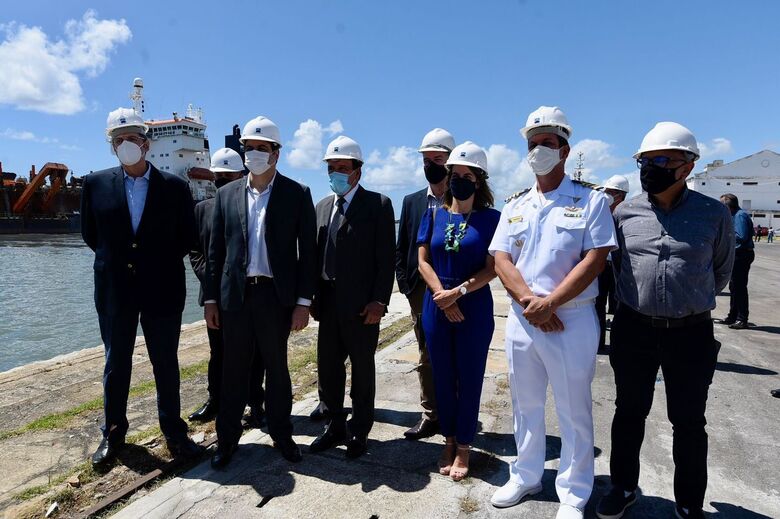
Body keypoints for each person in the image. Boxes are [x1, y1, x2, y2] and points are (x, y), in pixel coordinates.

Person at [597, 122, 734, 519]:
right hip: (634, 327)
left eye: (660, 160)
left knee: (689, 421)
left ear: (687, 166)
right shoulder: (624, 213)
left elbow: (720, 270)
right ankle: (623, 487)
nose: (648, 168)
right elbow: (618, 265)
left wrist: (686, 297)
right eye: (644, 160)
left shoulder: (714, 214)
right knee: (628, 412)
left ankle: (689, 502)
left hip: (690, 333)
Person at [489, 106, 616, 519]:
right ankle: (526, 475)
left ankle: (574, 493)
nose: (538, 150)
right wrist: (531, 303)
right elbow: (502, 258)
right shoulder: (517, 204)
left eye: (547, 143)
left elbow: (595, 258)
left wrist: (551, 303)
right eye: (532, 144)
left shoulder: (590, 200)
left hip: (571, 319)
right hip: (524, 319)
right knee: (524, 406)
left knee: (573, 408)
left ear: (565, 149)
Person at [81, 108, 203, 465]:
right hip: (115, 289)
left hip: (162, 288)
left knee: (165, 362)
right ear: (112, 146)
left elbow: (186, 238)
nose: (125, 145)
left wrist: (153, 263)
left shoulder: (176, 188)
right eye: (119, 141)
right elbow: (92, 235)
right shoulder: (95, 184)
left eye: (132, 139)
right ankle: (113, 435)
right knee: (115, 363)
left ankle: (174, 434)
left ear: (146, 144)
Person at [204, 116, 317, 468]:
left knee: (277, 369)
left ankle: (282, 435)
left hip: (275, 297)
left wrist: (303, 303)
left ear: (276, 154)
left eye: (262, 148)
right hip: (235, 298)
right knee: (233, 371)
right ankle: (227, 441)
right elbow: (214, 252)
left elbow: (308, 253)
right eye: (249, 148)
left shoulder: (297, 194)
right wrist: (210, 299)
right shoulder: (225, 195)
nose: (254, 154)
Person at [417, 141, 500, 480]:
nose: (459, 180)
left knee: (468, 378)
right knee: (442, 377)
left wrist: (460, 291)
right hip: (436, 304)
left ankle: (464, 446)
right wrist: (441, 294)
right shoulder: (434, 212)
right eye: (455, 174)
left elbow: (494, 267)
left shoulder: (493, 219)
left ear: (479, 181)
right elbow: (422, 260)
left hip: (474, 305)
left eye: (468, 175)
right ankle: (448, 440)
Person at [309, 136, 395, 459]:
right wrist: (311, 298)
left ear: (357, 171)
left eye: (342, 168)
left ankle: (360, 430)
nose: (336, 174)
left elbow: (386, 260)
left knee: (362, 371)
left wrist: (379, 301)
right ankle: (334, 426)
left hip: (363, 308)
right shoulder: (321, 208)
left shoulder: (378, 205)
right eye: (331, 168)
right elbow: (314, 258)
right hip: (328, 305)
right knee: (328, 370)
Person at [188, 148, 266, 425]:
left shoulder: (253, 206)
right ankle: (215, 401)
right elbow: (196, 250)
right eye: (217, 178)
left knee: (255, 355)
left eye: (227, 177)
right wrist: (210, 278)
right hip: (214, 297)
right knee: (217, 353)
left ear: (241, 175)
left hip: (245, 294)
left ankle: (256, 403)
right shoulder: (201, 209)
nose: (221, 183)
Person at [395, 128, 455, 440]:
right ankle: (431, 413)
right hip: (419, 290)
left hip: (452, 288)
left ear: (451, 161)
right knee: (425, 353)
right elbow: (402, 243)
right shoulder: (411, 202)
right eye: (426, 159)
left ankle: (453, 413)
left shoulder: (462, 200)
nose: (431, 164)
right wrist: (405, 285)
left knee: (452, 351)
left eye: (438, 159)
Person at [596, 175, 629, 352]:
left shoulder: (627, 214)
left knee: (620, 307)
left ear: (620, 195)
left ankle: (619, 345)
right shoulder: (601, 212)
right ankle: (598, 343)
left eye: (610, 192)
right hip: (602, 267)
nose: (606, 195)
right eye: (606, 191)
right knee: (598, 305)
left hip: (620, 267)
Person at [716, 194, 754, 330]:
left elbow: (741, 236)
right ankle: (733, 316)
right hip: (737, 254)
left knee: (739, 287)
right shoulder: (735, 215)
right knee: (734, 287)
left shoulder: (739, 216)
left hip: (741, 255)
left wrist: (724, 235)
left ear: (727, 205)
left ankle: (742, 319)